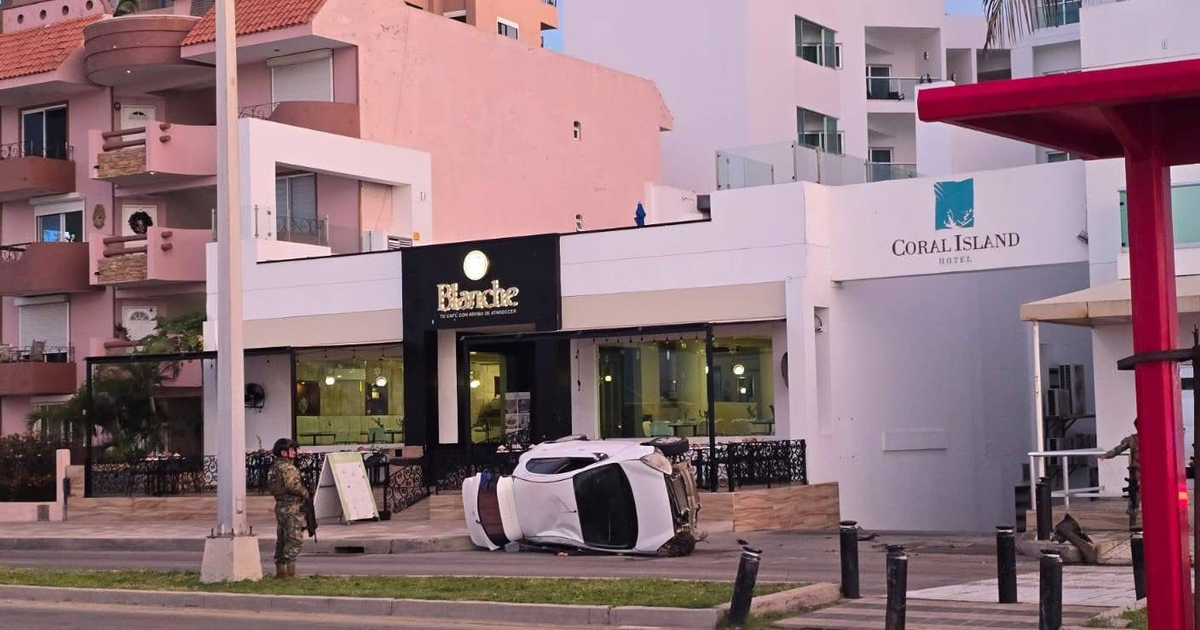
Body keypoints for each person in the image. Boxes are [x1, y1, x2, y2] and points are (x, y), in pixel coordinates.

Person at [267, 438, 309, 578]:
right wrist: (305, 493)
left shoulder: (274, 467)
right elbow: (293, 486)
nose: (295, 452)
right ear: (284, 452)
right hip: (292, 506)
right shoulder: (288, 467)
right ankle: (290, 572)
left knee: (282, 538)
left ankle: (280, 571)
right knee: (294, 538)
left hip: (280, 505)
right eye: (292, 450)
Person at [1099, 419, 1140, 527]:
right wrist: (1106, 455)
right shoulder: (1132, 440)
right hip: (1136, 473)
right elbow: (1118, 449)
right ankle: (1133, 524)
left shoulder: (1153, 438)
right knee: (1134, 498)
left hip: (1150, 472)